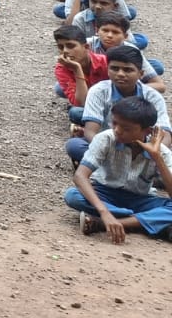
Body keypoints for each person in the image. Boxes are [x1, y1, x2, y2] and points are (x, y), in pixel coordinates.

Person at [66, 96, 172, 241]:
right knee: (73, 195)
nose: (117, 130)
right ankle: (142, 222)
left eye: (126, 128)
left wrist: (156, 157)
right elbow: (80, 176)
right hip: (105, 193)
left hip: (140, 199)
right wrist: (104, 211)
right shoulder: (106, 139)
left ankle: (106, 224)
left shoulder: (161, 152)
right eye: (114, 123)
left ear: (147, 131)